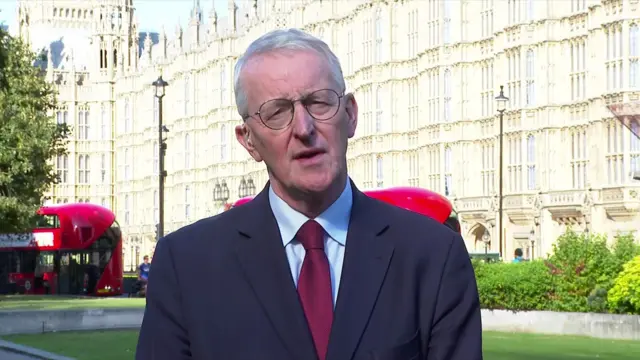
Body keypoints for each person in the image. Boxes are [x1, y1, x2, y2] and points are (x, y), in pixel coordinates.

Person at [136, 28, 482, 360]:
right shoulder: (186, 265)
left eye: (319, 103)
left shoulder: (433, 256)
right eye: (277, 113)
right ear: (249, 140)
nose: (304, 128)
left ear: (350, 115)